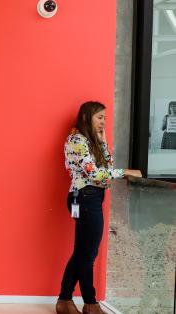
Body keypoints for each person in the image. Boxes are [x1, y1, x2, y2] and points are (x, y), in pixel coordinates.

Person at [56, 101, 142, 314]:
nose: (103, 121)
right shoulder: (76, 140)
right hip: (84, 197)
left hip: (92, 197)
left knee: (83, 253)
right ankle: (90, 303)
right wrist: (126, 172)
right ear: (86, 117)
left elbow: (107, 168)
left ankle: (65, 301)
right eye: (99, 117)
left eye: (105, 117)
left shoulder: (91, 141)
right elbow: (93, 174)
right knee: (87, 254)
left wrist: (103, 143)